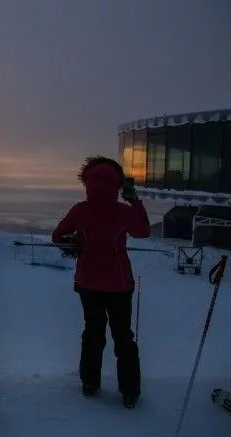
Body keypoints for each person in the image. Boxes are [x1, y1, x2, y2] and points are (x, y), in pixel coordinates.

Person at [51, 156, 150, 409]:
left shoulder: (80, 210)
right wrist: (134, 200)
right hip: (119, 283)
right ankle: (129, 391)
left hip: (88, 282)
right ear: (117, 183)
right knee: (123, 336)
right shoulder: (124, 211)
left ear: (87, 182)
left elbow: (58, 236)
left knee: (93, 332)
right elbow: (143, 231)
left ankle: (90, 382)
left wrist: (77, 243)